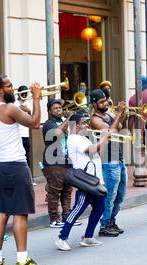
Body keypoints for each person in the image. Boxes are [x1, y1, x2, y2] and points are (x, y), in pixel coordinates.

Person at [0, 75, 46, 265]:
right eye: (9, 86)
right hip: (16, 165)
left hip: (0, 165)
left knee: (2, 211)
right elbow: (35, 123)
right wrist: (36, 98)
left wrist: (25, 109)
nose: (13, 88)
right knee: (20, 212)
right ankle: (22, 260)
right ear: (0, 91)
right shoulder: (9, 108)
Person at [55, 114, 110, 251]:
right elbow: (91, 150)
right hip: (86, 181)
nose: (86, 125)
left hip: (95, 180)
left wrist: (105, 140)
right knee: (77, 210)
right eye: (83, 123)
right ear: (75, 126)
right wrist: (103, 136)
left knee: (100, 208)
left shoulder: (83, 138)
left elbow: (98, 154)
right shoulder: (75, 138)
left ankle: (88, 237)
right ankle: (62, 238)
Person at [90, 89, 127, 237]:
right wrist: (118, 115)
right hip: (107, 160)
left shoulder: (109, 114)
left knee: (120, 195)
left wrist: (122, 114)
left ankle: (111, 220)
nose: (105, 103)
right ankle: (104, 225)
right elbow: (109, 133)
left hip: (118, 158)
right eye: (101, 102)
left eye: (105, 100)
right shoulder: (95, 119)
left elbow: (118, 127)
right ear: (94, 104)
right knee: (110, 195)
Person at [42, 98, 80, 228]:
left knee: (67, 191)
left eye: (60, 108)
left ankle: (67, 218)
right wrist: (69, 118)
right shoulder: (48, 124)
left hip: (66, 161)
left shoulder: (62, 122)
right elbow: (57, 133)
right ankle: (54, 219)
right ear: (49, 111)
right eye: (55, 108)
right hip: (54, 162)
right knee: (54, 192)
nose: (59, 110)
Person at [15, 85, 34, 182]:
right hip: (17, 135)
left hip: (26, 134)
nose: (24, 95)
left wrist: (29, 110)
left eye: (26, 93)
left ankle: (29, 179)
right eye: (23, 93)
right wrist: (21, 109)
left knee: (27, 156)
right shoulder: (14, 103)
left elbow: (32, 119)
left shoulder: (28, 103)